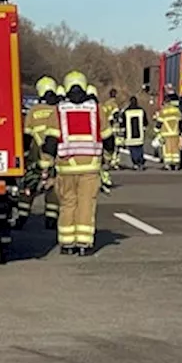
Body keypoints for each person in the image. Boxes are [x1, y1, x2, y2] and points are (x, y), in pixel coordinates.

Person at [56, 70, 105, 255]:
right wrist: (107, 157)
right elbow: (107, 137)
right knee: (86, 203)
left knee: (68, 203)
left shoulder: (59, 111)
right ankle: (84, 243)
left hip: (66, 167)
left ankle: (67, 243)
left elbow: (51, 142)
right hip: (90, 167)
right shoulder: (96, 109)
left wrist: (45, 166)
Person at [20, 75, 63, 229]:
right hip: (54, 155)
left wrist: (24, 155)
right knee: (53, 188)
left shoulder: (33, 111)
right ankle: (51, 218)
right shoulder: (58, 110)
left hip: (36, 155)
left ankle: (22, 216)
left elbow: (27, 136)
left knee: (29, 186)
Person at [156, 96, 182, 170]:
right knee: (175, 149)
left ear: (165, 103)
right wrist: (181, 133)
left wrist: (156, 131)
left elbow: (159, 123)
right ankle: (176, 164)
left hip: (166, 134)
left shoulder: (163, 111)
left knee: (167, 150)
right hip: (175, 133)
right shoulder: (176, 110)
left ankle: (168, 165)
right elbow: (181, 121)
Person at [123, 96, 147, 169]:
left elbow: (123, 124)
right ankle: (140, 162)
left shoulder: (126, 111)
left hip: (130, 135)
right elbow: (145, 122)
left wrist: (123, 135)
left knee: (133, 150)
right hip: (140, 135)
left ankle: (135, 163)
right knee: (139, 149)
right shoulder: (141, 111)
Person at [100, 88, 121, 171]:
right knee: (116, 146)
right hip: (113, 127)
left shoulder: (105, 104)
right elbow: (116, 115)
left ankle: (108, 161)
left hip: (106, 127)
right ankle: (114, 162)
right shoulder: (114, 104)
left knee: (108, 146)